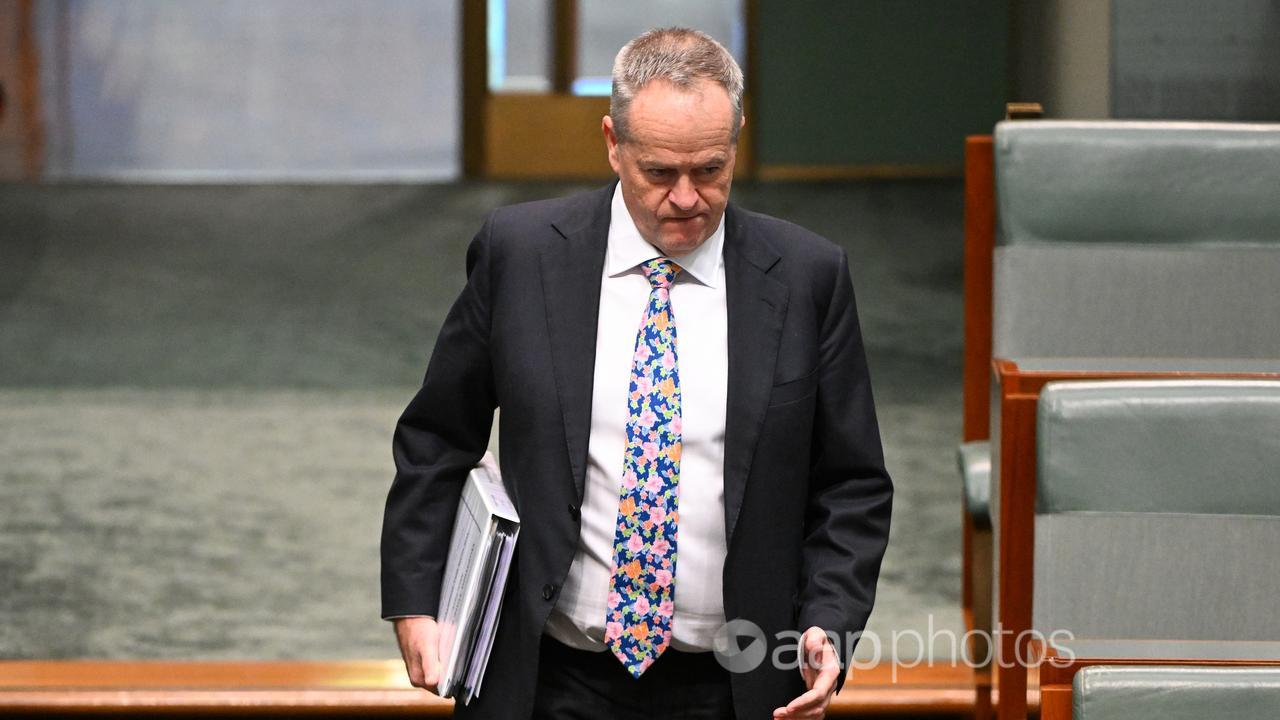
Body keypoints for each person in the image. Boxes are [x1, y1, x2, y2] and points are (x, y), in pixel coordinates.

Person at [382, 27, 892, 720]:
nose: (686, 198)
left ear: (736, 145)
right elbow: (437, 438)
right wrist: (416, 602)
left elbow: (851, 484)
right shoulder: (521, 254)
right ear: (613, 144)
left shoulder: (807, 276)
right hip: (549, 676)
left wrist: (829, 620)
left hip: (736, 685)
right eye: (659, 172)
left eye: (709, 170)